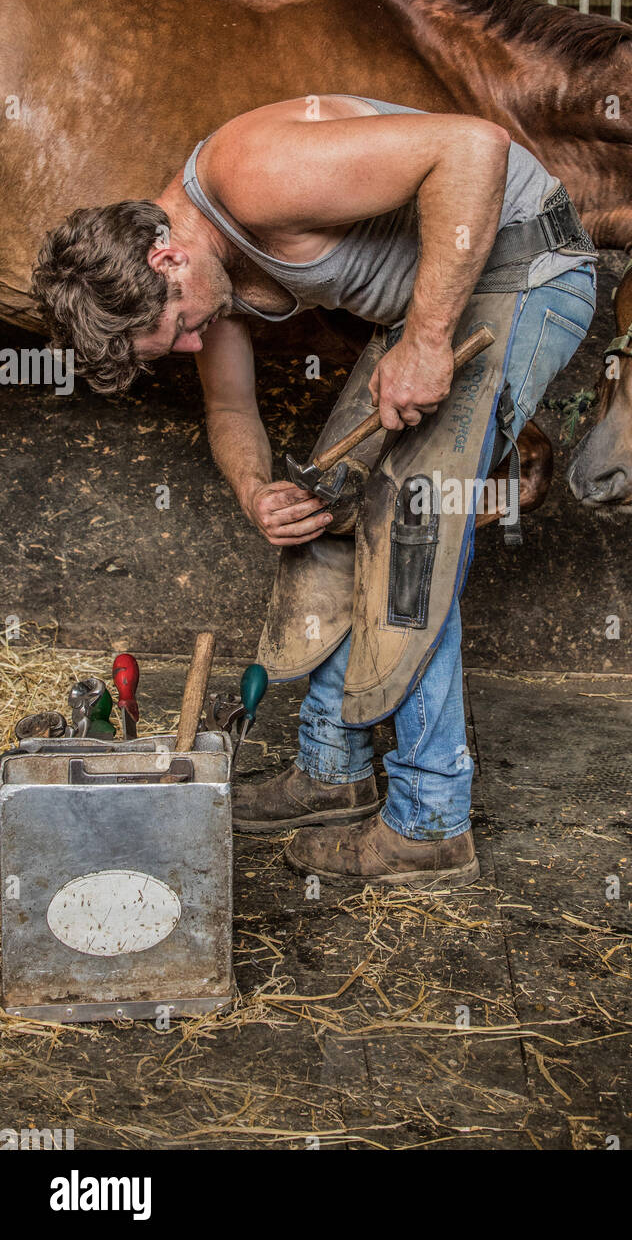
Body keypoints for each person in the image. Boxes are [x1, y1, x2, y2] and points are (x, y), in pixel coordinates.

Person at [32, 94, 597, 888]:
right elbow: (230, 407)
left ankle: (429, 823)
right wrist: (259, 491)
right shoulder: (205, 273)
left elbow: (475, 147)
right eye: (181, 342)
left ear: (164, 260)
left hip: (523, 268)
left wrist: (429, 342)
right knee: (325, 502)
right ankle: (335, 770)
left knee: (415, 527)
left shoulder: (251, 174)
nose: (195, 340)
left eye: (184, 327)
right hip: (434, 303)